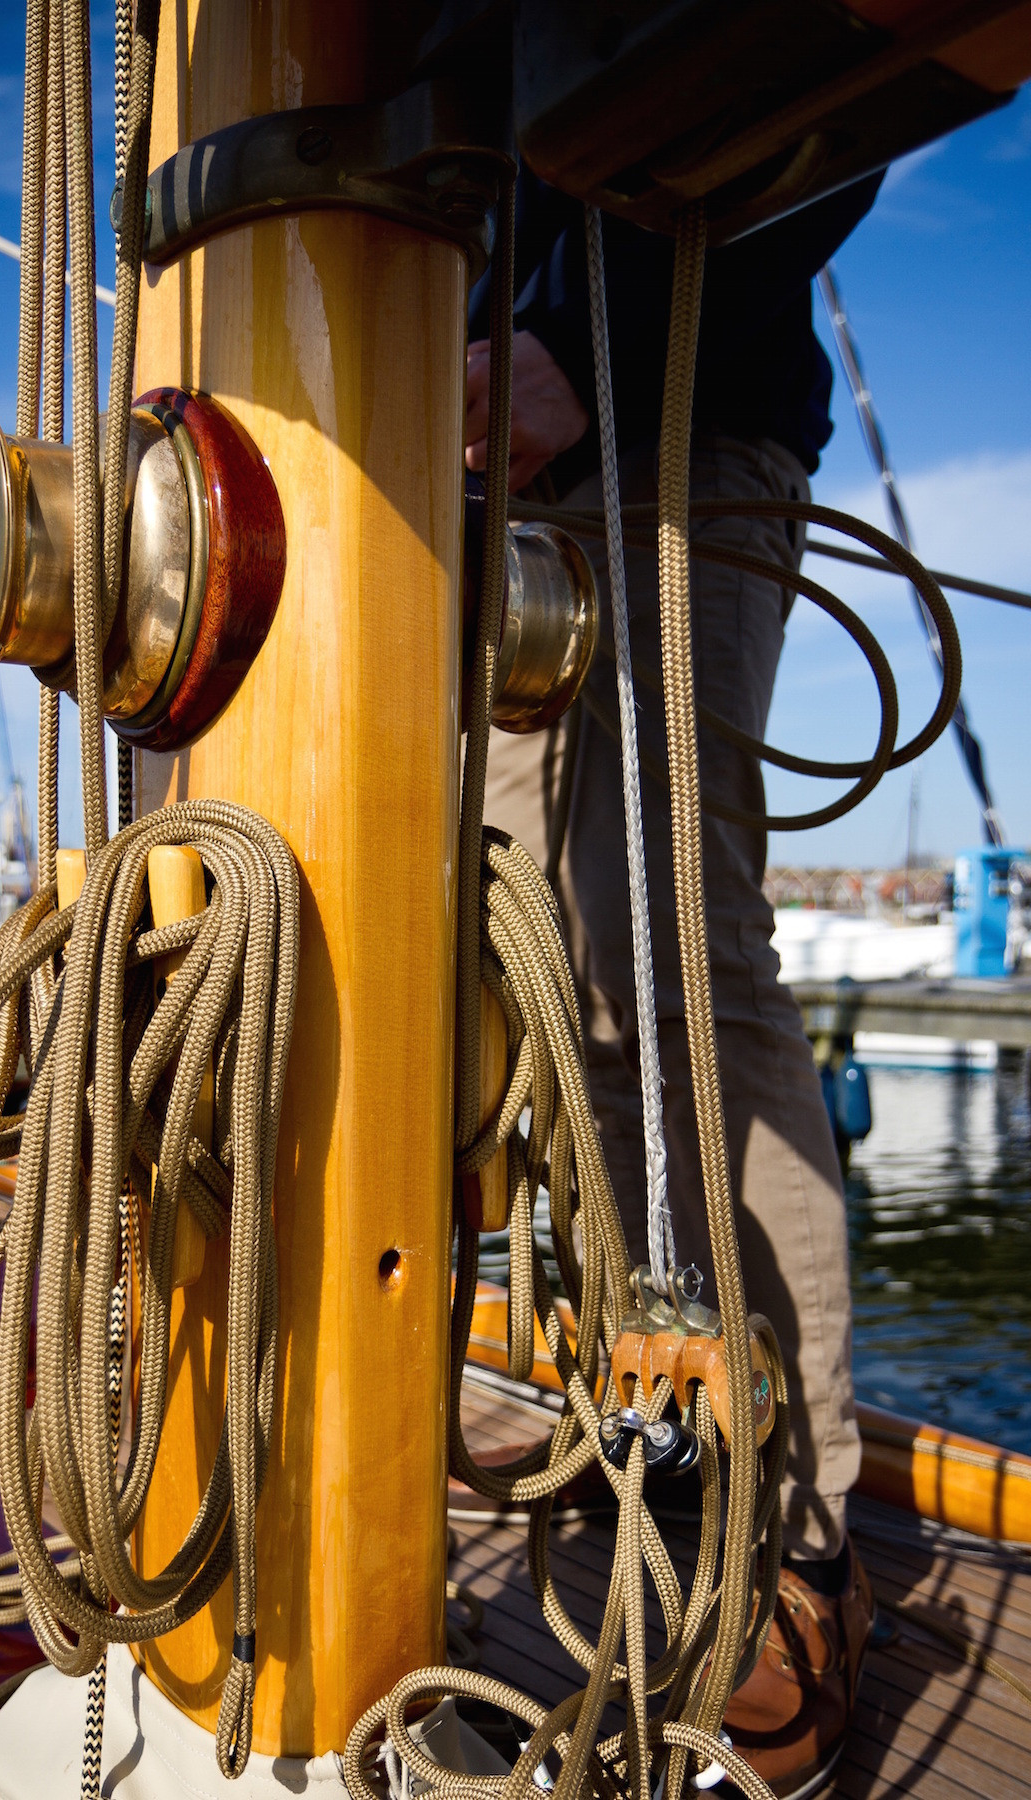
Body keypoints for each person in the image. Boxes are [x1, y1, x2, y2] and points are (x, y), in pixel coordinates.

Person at [467, 172, 883, 1800]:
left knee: (673, 960)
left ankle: (796, 1543)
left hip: (672, 426)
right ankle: (642, 1428)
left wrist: (590, 335)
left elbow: (832, 90)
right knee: (527, 987)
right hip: (487, 485)